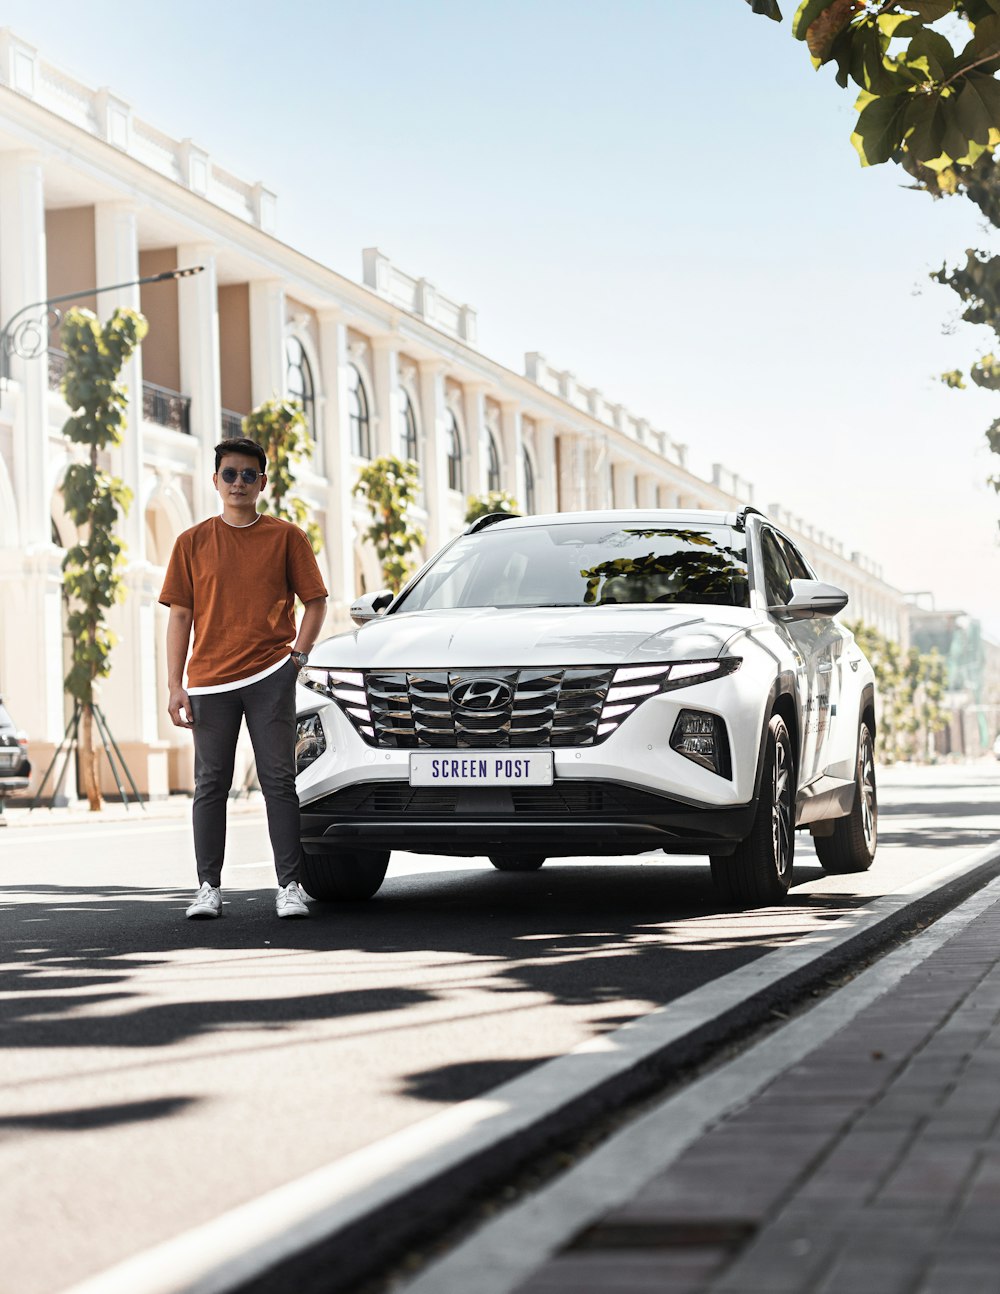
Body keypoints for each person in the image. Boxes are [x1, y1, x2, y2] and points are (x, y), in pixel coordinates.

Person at [159, 437, 328, 920]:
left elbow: (315, 601)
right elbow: (180, 617)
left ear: (262, 482)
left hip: (271, 675)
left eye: (248, 475)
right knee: (211, 784)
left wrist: (297, 659)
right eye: (229, 474)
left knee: (279, 781)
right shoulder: (191, 542)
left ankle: (290, 886)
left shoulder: (286, 538)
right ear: (215, 481)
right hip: (210, 683)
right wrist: (176, 685)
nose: (238, 483)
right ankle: (208, 887)